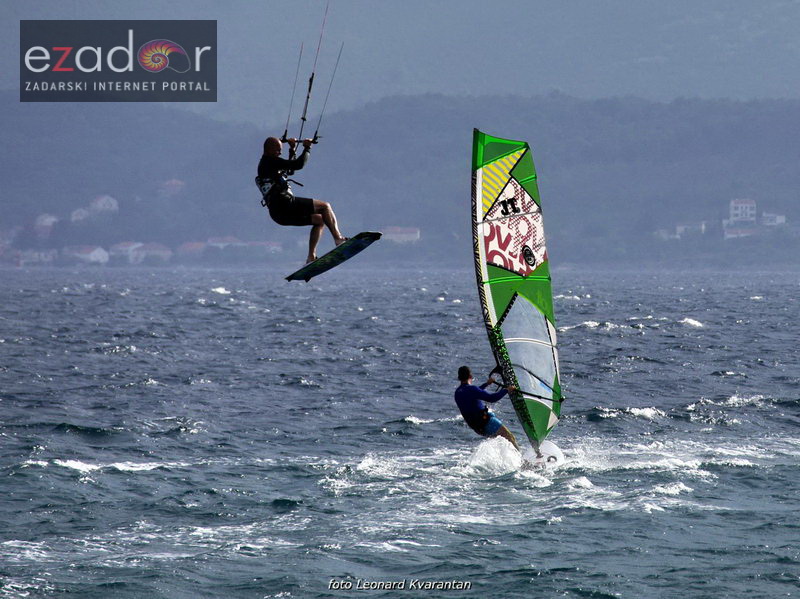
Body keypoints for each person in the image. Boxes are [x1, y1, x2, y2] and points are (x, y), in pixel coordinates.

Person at [256, 136, 347, 263]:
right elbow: (298, 165)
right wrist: (307, 148)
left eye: (281, 150)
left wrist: (292, 149)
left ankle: (311, 257)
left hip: (278, 215)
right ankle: (338, 239)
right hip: (285, 204)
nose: (280, 152)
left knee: (320, 220)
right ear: (269, 149)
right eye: (278, 150)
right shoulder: (270, 162)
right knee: (325, 206)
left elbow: (290, 170)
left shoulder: (268, 164)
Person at [454, 365, 520, 450]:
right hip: (487, 423)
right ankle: (523, 461)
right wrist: (507, 390)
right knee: (510, 437)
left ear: (459, 377)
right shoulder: (472, 390)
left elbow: (472, 393)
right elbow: (491, 398)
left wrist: (486, 384)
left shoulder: (458, 392)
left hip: (478, 428)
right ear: (471, 376)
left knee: (502, 442)